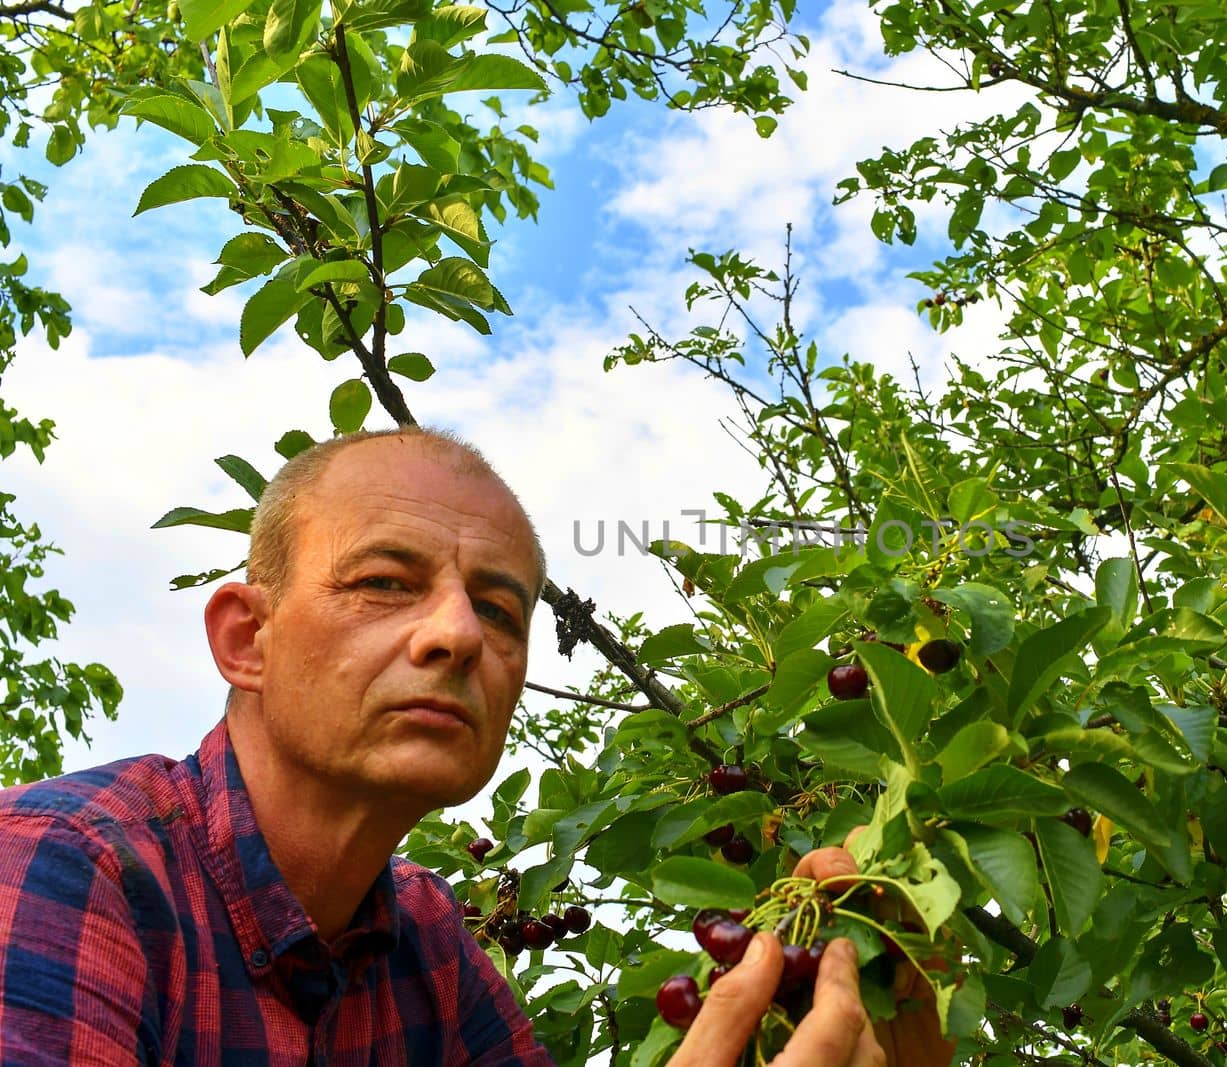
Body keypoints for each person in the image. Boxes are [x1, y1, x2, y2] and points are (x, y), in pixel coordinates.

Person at [0, 427, 899, 1065]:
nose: (459, 635)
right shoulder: (66, 865)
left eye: (501, 610)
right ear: (247, 640)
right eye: (386, 582)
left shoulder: (429, 943)